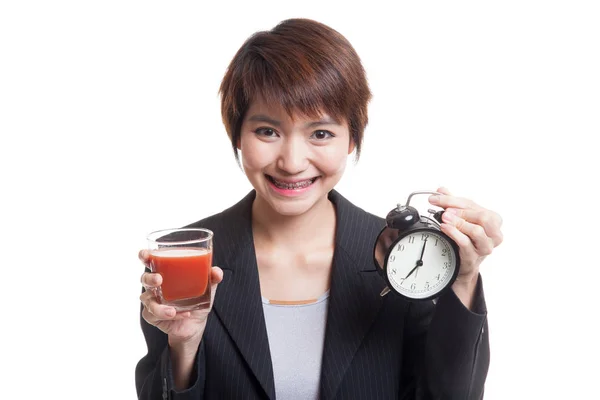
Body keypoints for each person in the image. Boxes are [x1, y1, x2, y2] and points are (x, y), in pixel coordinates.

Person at [135, 18, 503, 400]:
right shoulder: (188, 258)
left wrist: (463, 277)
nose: (293, 162)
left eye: (321, 134)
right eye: (268, 131)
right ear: (237, 134)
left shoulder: (406, 257)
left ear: (351, 139)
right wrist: (184, 345)